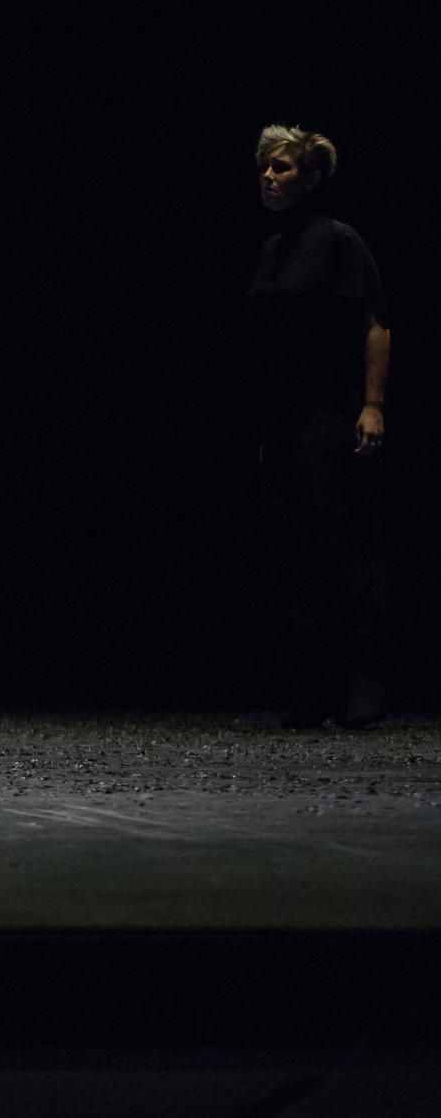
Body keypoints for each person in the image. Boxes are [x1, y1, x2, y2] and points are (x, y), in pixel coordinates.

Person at [244, 126, 390, 728]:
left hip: (329, 413)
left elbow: (375, 324)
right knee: (295, 551)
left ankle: (361, 690)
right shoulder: (274, 247)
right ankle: (312, 692)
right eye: (264, 169)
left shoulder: (338, 241)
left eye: (280, 168)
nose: (268, 177)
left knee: (337, 547)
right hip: (282, 418)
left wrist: (372, 404)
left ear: (309, 177)